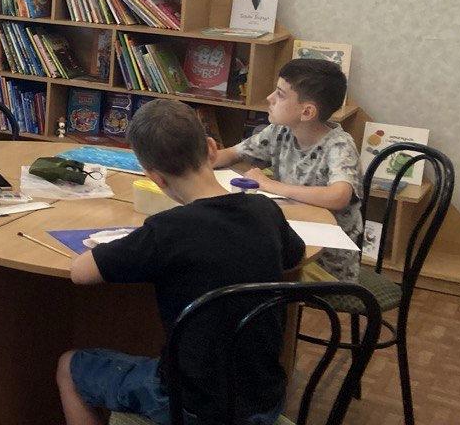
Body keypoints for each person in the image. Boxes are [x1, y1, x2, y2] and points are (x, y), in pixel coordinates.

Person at [56, 100, 305, 425]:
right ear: (212, 149)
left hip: (191, 406)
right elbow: (294, 256)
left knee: (69, 366)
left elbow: (81, 272)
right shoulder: (264, 210)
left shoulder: (166, 230)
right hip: (265, 399)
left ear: (155, 178)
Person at [213, 58, 361, 282]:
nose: (269, 98)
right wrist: (195, 159)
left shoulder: (340, 145)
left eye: (280, 94)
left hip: (326, 266)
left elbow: (339, 196)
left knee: (235, 271)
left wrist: (271, 185)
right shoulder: (280, 131)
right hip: (290, 240)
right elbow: (233, 153)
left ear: (307, 112)